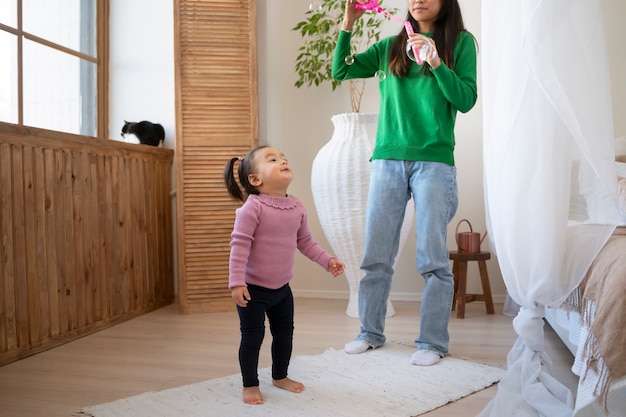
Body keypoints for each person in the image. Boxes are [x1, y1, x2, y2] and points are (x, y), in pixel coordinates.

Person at [332, 0, 477, 366]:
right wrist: (348, 24)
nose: (418, 0)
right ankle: (370, 333)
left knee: (433, 260)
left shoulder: (461, 43)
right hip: (387, 160)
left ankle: (432, 343)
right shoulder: (389, 48)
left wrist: (436, 62)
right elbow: (340, 70)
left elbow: (466, 99)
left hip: (434, 162)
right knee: (375, 257)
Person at [223, 145, 345, 405]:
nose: (282, 161)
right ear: (255, 179)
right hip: (253, 290)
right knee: (253, 338)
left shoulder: (296, 206)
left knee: (285, 334)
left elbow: (306, 242)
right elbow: (239, 245)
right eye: (273, 159)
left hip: (282, 290)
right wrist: (236, 283)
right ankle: (250, 383)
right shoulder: (251, 209)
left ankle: (280, 376)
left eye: (283, 158)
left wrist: (327, 260)